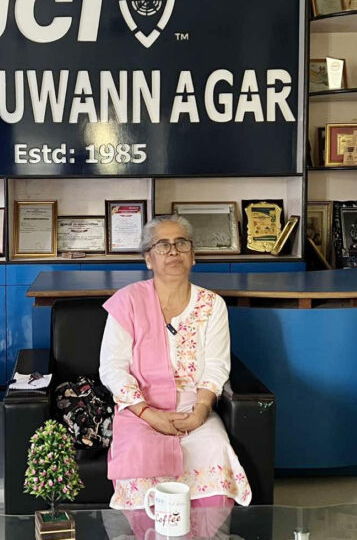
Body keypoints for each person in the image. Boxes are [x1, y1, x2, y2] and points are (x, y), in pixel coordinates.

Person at [99, 215, 252, 510]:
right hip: (141, 411)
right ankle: (151, 530)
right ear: (148, 259)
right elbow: (112, 367)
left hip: (194, 410)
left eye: (181, 243)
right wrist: (147, 413)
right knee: (141, 452)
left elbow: (216, 366)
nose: (173, 251)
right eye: (163, 245)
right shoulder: (127, 301)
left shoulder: (211, 305)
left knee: (215, 447)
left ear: (193, 255)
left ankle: (204, 531)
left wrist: (200, 412)